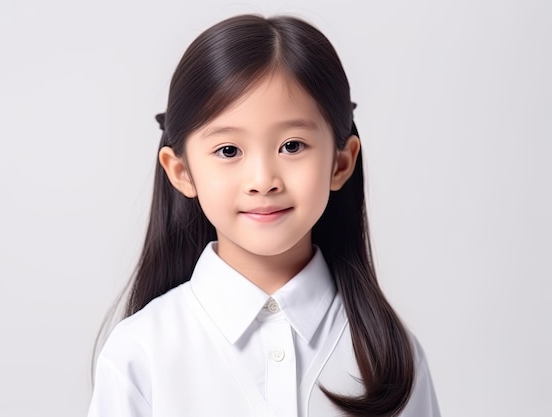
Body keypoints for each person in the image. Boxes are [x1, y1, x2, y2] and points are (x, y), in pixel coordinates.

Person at [88, 14, 441, 417]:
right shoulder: (141, 353)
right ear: (181, 172)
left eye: (292, 146)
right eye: (228, 151)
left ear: (341, 163)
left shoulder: (391, 358)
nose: (263, 181)